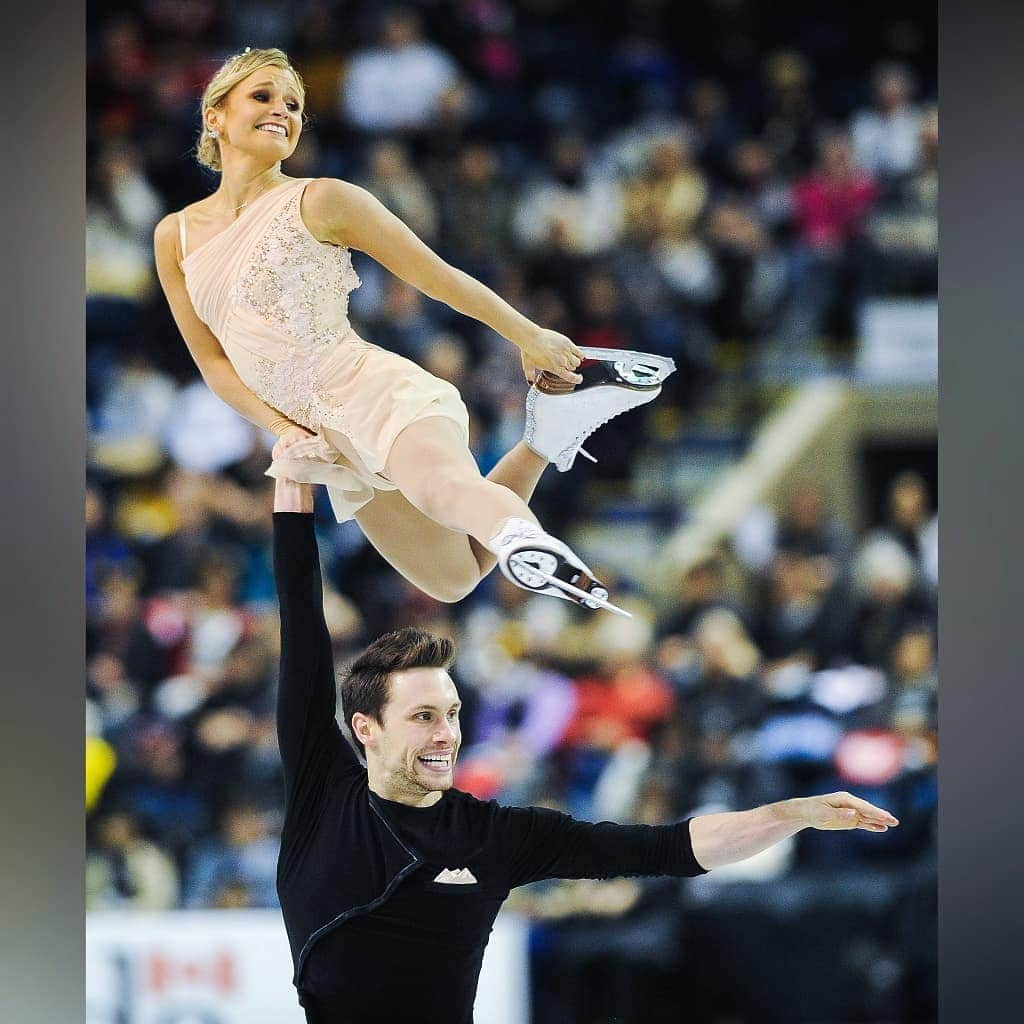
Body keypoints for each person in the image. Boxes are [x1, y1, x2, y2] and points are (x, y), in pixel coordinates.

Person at [271, 472, 899, 1023]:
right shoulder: (321, 792)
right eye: (424, 716)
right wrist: (293, 482)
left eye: (455, 714)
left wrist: (788, 815)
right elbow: (301, 620)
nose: (447, 734)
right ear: (365, 729)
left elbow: (667, 849)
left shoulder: (490, 834)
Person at [153, 47, 675, 617]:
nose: (284, 110)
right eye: (263, 96)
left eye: (295, 104)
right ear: (215, 116)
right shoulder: (174, 236)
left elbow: (436, 275)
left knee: (443, 488)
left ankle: (525, 542)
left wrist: (528, 335)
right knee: (451, 578)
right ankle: (545, 434)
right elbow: (215, 364)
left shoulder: (322, 198)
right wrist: (286, 429)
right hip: (328, 440)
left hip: (368, 389)